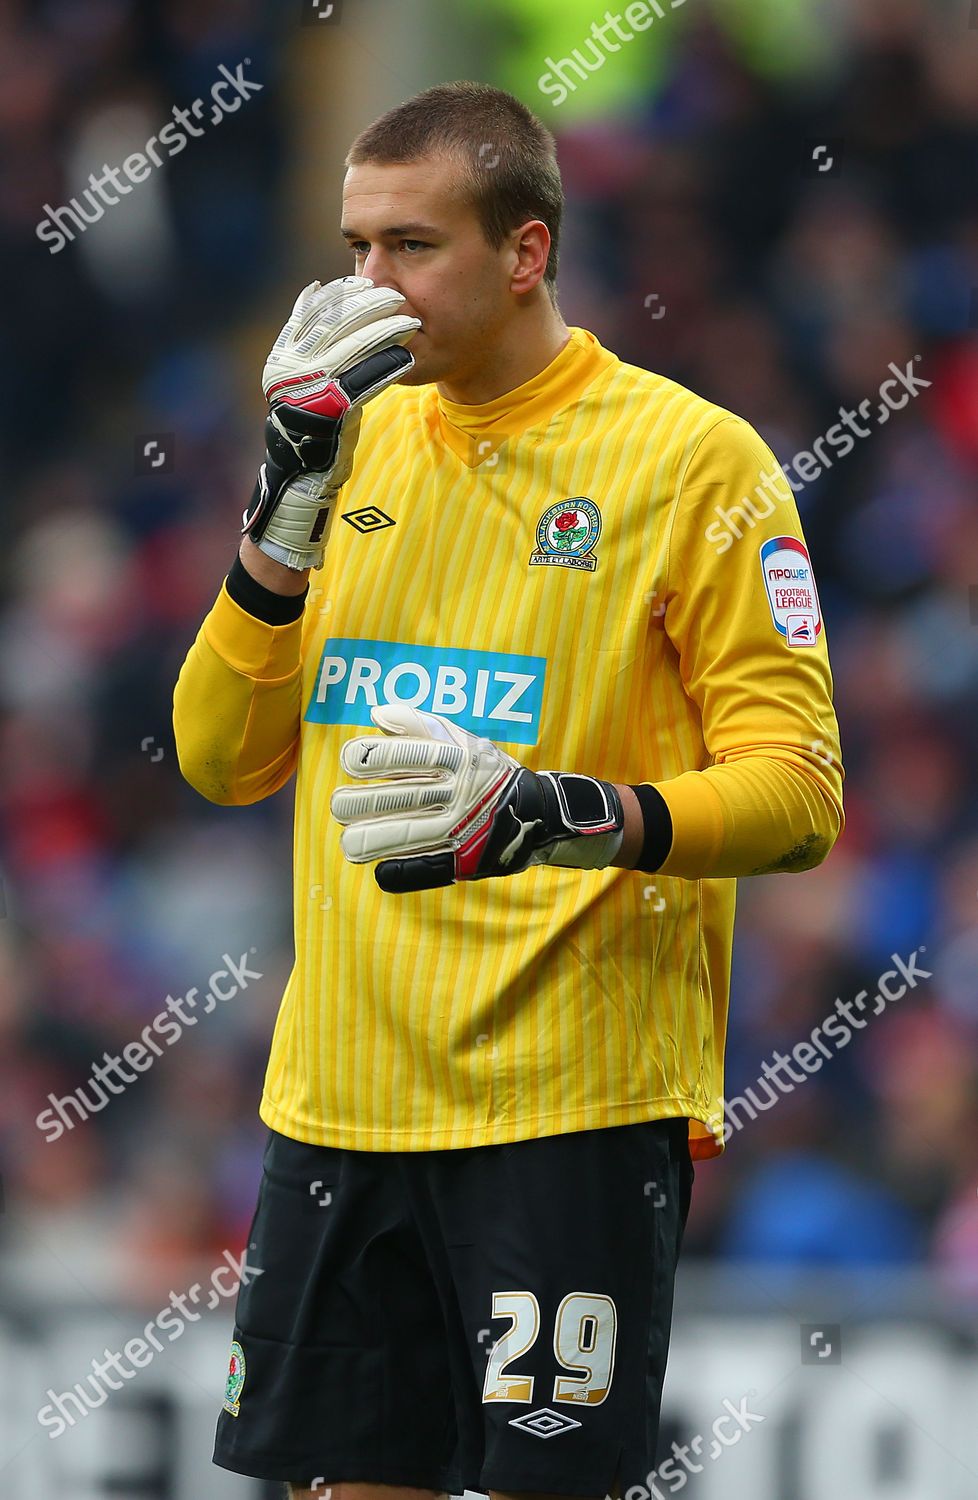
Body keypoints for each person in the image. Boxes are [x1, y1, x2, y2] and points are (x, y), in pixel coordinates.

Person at [172, 79, 844, 1500]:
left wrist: (564, 812)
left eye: (410, 246)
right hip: (341, 1098)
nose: (369, 286)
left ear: (524, 251)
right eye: (353, 246)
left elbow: (798, 796)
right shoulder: (344, 439)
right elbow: (218, 757)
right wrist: (278, 515)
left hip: (568, 1108)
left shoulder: (691, 461)